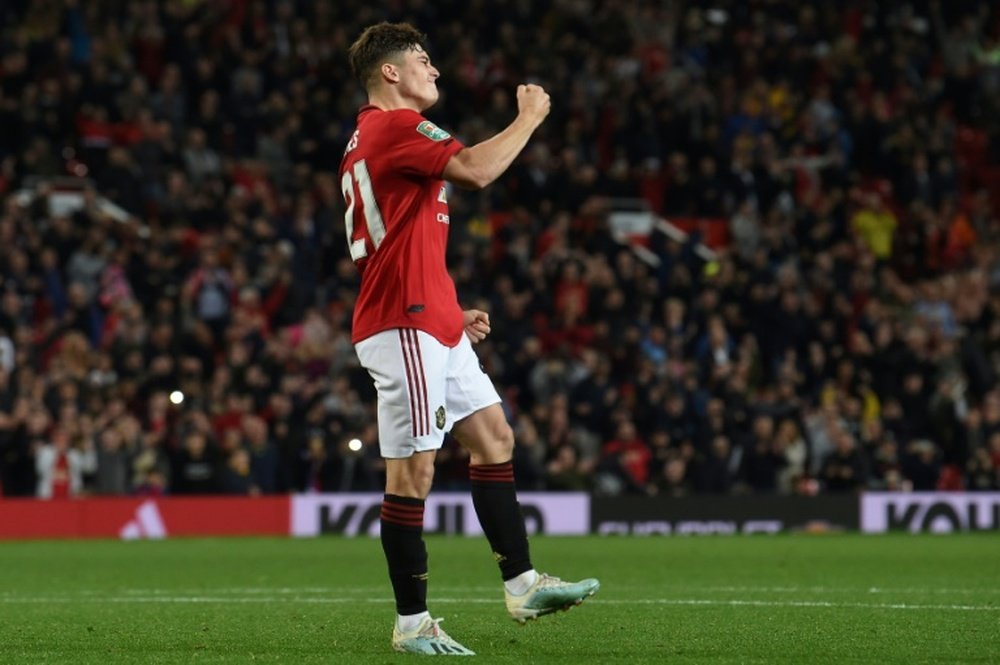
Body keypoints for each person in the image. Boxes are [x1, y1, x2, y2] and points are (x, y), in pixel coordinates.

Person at [341, 22, 599, 656]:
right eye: (423, 60)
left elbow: (408, 244)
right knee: (413, 471)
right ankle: (411, 624)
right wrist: (530, 116)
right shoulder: (397, 126)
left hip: (431, 318)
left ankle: (523, 583)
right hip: (402, 323)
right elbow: (479, 170)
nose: (436, 70)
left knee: (493, 438)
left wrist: (454, 313)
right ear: (391, 73)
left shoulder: (374, 137)